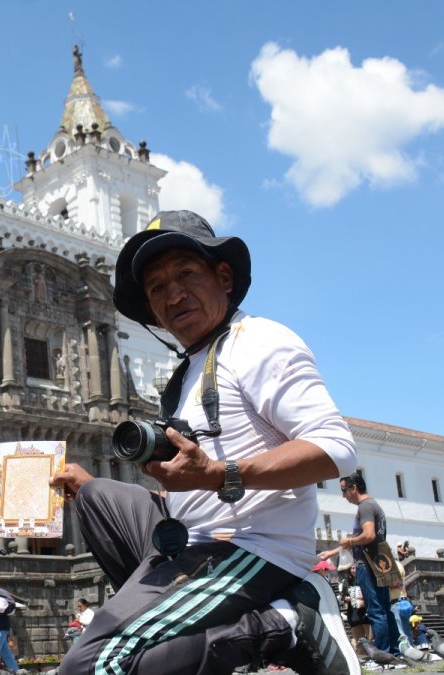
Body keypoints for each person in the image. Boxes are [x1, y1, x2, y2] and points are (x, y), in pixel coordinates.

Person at [49, 210, 359, 675]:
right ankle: (169, 621)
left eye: (186, 274)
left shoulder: (257, 342)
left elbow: (336, 449)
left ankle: (285, 622)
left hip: (251, 546)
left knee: (91, 666)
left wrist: (219, 474)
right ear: (151, 310)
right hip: (189, 540)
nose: (173, 294)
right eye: (156, 288)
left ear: (224, 276)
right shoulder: (186, 374)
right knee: (96, 495)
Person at [319, 474, 403, 657]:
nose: (343, 495)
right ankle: (394, 651)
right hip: (377, 562)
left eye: (344, 490)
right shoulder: (372, 505)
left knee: (375, 610)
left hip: (366, 564)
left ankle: (382, 653)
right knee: (384, 608)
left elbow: (368, 535)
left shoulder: (365, 507)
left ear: (354, 488)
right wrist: (332, 553)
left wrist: (350, 539)